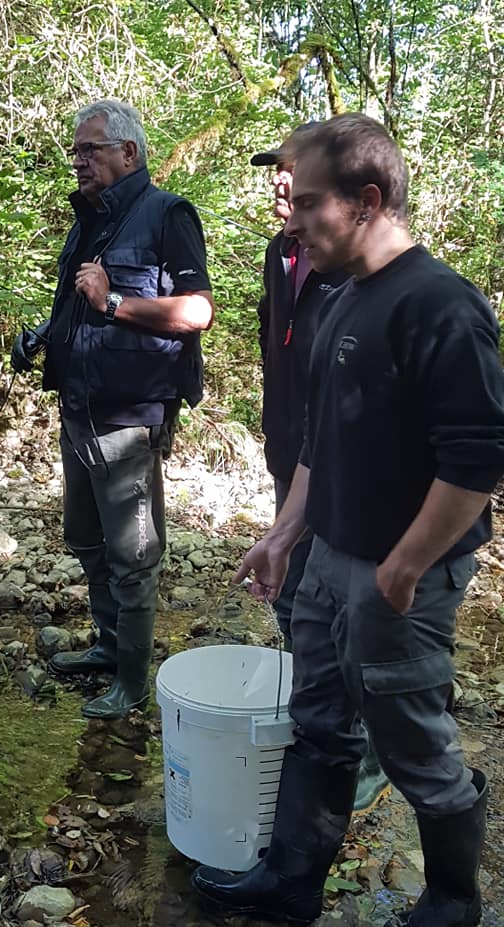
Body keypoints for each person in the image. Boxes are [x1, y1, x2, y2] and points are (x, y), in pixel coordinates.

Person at [192, 113, 504, 927]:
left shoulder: (441, 303)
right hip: (329, 556)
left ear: (366, 201)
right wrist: (284, 535)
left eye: (309, 202)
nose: (292, 219)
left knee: (411, 740)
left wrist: (407, 563)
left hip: (401, 575)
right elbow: (319, 444)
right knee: (319, 722)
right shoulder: (341, 298)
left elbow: (478, 459)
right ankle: (292, 880)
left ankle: (453, 907)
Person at [12, 99, 213, 721]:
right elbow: (80, 308)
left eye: (90, 149)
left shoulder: (167, 214)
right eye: (75, 151)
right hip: (79, 408)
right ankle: (107, 646)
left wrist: (115, 301)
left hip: (129, 417)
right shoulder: (89, 222)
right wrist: (43, 337)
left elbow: (197, 311)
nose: (79, 160)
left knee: (133, 557)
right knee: (85, 539)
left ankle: (132, 682)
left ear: (129, 152)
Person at [252, 125, 389, 815]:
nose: (282, 187)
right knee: (297, 603)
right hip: (296, 458)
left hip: (354, 486)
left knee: (353, 628)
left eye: (297, 179)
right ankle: (320, 732)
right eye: (277, 175)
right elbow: (279, 354)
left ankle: (369, 752)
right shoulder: (282, 254)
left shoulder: (359, 275)